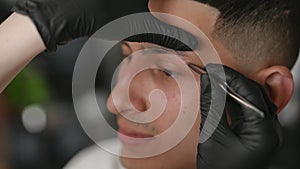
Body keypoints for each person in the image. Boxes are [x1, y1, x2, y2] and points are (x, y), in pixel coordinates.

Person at [0, 0, 298, 169]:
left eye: (166, 70)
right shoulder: (93, 164)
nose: (115, 101)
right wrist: (32, 26)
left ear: (270, 93)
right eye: (126, 54)